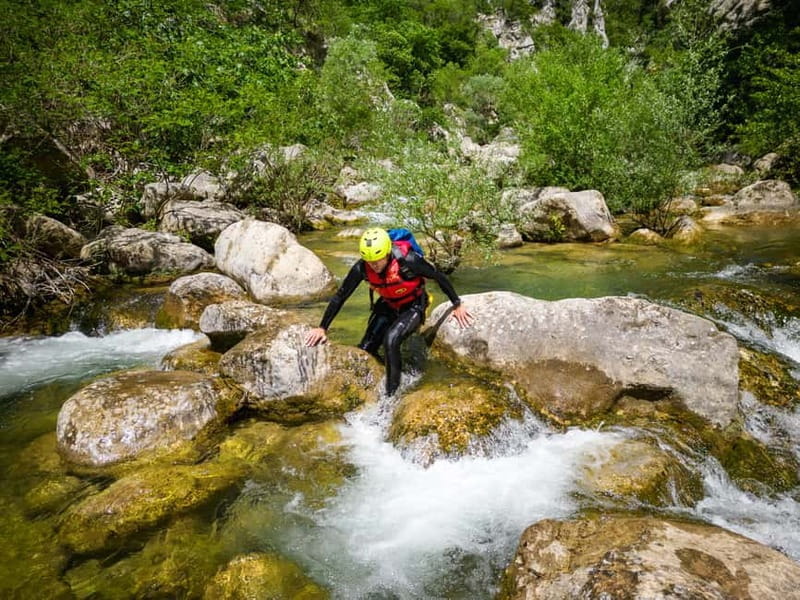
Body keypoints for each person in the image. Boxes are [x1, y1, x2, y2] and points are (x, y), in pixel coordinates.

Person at [305, 227, 473, 396]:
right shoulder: (362, 268)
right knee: (365, 349)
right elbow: (341, 296)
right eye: (370, 261)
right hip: (388, 304)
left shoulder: (408, 260)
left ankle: (392, 394)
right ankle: (378, 377)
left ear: (387, 253)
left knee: (391, 340)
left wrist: (456, 304)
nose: (374, 265)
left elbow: (439, 277)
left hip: (413, 305)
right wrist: (322, 327)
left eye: (377, 260)